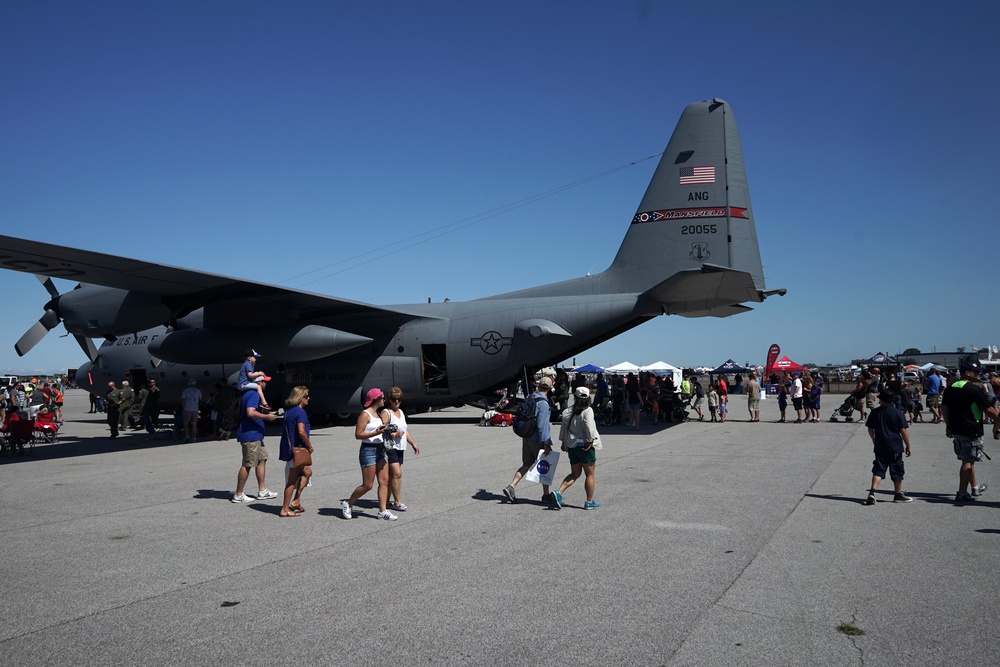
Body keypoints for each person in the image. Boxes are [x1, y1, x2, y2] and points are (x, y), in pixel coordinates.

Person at [941, 359, 1000, 503]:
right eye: (977, 372)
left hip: (956, 429)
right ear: (967, 373)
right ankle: (962, 492)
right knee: (968, 460)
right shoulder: (974, 390)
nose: (980, 374)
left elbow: (944, 408)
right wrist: (998, 417)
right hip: (972, 430)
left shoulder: (950, 388)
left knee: (968, 458)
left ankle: (975, 486)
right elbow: (989, 411)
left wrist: (948, 425)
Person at [341, 388, 397, 520]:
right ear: (376, 399)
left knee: (384, 481)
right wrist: (376, 432)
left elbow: (379, 431)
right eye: (382, 398)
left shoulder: (378, 414)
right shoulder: (365, 415)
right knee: (368, 485)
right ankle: (348, 503)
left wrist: (387, 431)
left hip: (381, 449)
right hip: (368, 450)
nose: (384, 400)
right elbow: (358, 434)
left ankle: (382, 511)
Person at [502, 375, 555, 503]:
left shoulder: (531, 397)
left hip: (527, 436)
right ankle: (546, 494)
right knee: (545, 465)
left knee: (527, 463)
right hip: (537, 439)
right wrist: (546, 443)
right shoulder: (542, 403)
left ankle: (511, 486)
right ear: (550, 388)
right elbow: (542, 426)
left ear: (539, 386)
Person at [551, 386, 601, 510]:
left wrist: (563, 442)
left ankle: (559, 492)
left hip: (572, 446)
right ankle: (589, 501)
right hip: (585, 446)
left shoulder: (567, 411)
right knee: (590, 474)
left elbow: (563, 428)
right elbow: (589, 427)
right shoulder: (587, 410)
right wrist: (590, 440)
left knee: (575, 473)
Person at [232, 377, 279, 503]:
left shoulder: (250, 394)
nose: (266, 384)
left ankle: (262, 490)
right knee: (247, 464)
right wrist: (267, 417)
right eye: (265, 381)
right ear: (258, 383)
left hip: (256, 435)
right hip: (250, 435)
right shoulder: (253, 395)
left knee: (262, 459)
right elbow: (250, 412)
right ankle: (238, 494)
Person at [864, 390, 913, 505]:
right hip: (894, 445)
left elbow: (870, 428)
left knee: (878, 468)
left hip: (880, 445)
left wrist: (874, 439)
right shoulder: (897, 412)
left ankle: (872, 492)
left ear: (882, 400)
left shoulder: (875, 412)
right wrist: (908, 446)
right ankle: (898, 494)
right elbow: (903, 430)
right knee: (896, 469)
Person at [383, 386, 421, 512]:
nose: (397, 402)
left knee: (392, 476)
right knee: (397, 474)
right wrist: (394, 435)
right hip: (390, 447)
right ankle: (397, 502)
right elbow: (381, 430)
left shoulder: (401, 412)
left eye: (399, 399)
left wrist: (413, 444)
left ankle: (387, 501)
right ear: (389, 400)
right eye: (394, 399)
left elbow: (405, 430)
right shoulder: (386, 413)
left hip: (400, 447)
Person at [278, 385, 314, 517]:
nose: (309, 399)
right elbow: (301, 431)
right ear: (301, 398)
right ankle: (285, 508)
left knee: (307, 472)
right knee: (291, 481)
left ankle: (296, 500)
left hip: (290, 449)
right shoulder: (300, 412)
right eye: (307, 396)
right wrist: (309, 446)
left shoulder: (289, 411)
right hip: (297, 451)